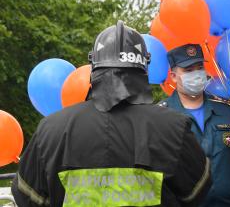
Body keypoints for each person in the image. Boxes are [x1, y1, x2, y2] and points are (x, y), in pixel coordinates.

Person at [12, 21, 211, 207]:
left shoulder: (50, 130)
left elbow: (27, 197)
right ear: (144, 66)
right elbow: (196, 194)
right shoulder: (174, 128)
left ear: (94, 66)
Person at [159, 44, 230, 207]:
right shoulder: (162, 116)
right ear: (173, 76)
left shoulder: (226, 111)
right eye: (188, 70)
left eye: (199, 67)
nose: (196, 74)